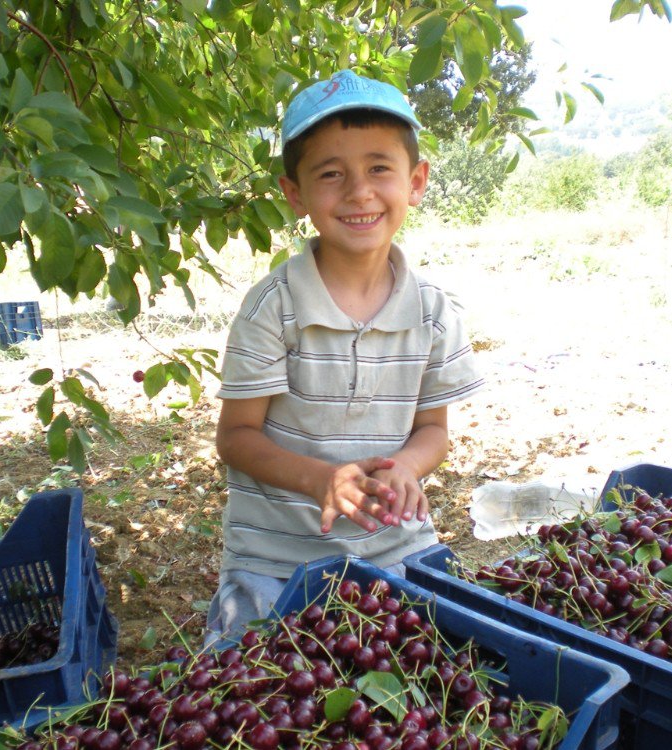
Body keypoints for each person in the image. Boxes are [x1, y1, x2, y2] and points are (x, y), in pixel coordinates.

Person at [205, 69, 484, 642]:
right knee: (250, 690)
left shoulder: (435, 312)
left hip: (397, 547)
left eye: (379, 168)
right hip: (275, 559)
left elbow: (433, 429)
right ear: (295, 194)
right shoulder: (272, 307)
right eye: (331, 174)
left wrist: (407, 467)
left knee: (451, 672)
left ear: (416, 181)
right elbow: (235, 437)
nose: (359, 191)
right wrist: (320, 480)